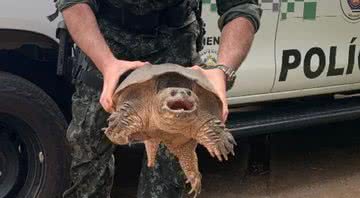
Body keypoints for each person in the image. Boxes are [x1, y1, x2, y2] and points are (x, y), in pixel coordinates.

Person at [55, 0, 262, 197]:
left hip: (176, 44)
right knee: (87, 155)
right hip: (105, 39)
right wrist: (106, 63)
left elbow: (241, 6)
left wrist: (223, 70)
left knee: (170, 172)